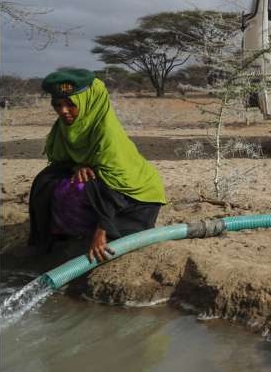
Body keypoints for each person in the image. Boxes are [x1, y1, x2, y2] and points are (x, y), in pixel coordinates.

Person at [28, 69, 167, 262]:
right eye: (57, 105)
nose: (63, 111)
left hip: (135, 202)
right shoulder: (65, 127)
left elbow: (116, 188)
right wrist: (77, 166)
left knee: (82, 188)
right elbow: (61, 161)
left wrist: (102, 232)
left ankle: (103, 230)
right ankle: (69, 235)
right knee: (47, 182)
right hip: (104, 191)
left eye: (70, 104)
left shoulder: (107, 134)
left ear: (88, 102)